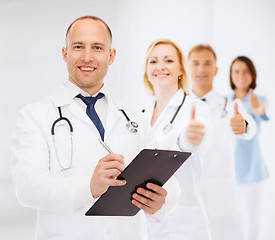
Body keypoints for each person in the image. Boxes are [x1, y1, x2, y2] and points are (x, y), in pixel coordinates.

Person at [10, 16, 180, 240]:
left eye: (97, 48)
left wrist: (164, 200)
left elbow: (166, 177)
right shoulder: (36, 116)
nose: (87, 57)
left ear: (111, 56)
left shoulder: (134, 119)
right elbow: (27, 187)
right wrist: (88, 188)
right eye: (78, 46)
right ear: (65, 53)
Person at [142, 39, 212, 240]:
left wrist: (188, 139)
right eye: (153, 61)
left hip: (185, 226)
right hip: (148, 226)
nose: (160, 67)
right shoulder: (139, 115)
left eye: (169, 60)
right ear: (147, 70)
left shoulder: (197, 109)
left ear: (181, 69)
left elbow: (188, 144)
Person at [188, 45, 257, 240]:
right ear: (188, 68)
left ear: (216, 70)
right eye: (196, 63)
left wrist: (242, 125)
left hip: (223, 199)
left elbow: (250, 128)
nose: (201, 68)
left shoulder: (231, 105)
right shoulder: (179, 106)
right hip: (190, 200)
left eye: (207, 63)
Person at [229, 56, 269, 240]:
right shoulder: (225, 103)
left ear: (252, 75)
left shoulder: (258, 100)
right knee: (232, 222)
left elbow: (262, 113)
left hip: (253, 172)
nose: (241, 76)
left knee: (252, 223)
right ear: (231, 75)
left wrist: (258, 108)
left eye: (245, 71)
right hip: (231, 172)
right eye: (236, 71)